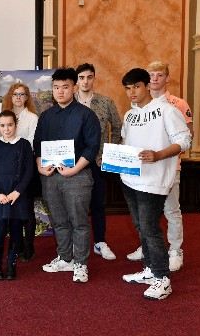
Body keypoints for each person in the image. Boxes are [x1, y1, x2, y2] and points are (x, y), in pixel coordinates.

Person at [119, 68, 191, 300]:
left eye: (136, 87)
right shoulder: (130, 115)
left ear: (147, 85)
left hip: (154, 181)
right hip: (129, 179)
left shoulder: (167, 111)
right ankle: (150, 270)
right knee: (140, 227)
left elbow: (184, 140)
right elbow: (125, 141)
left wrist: (158, 155)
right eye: (128, 88)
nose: (132, 92)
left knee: (150, 228)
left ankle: (163, 279)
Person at [34, 67, 100, 283]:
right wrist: (39, 166)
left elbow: (91, 148)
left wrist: (74, 169)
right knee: (59, 220)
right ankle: (65, 258)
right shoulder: (45, 116)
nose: (60, 91)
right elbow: (38, 146)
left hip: (77, 176)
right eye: (56, 87)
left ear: (74, 87)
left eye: (65, 87)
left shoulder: (86, 115)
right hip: (50, 176)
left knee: (79, 222)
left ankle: (81, 263)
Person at [75, 63, 122, 261]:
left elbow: (118, 129)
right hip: (74, 161)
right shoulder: (68, 102)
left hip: (97, 160)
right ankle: (75, 243)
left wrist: (107, 153)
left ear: (94, 79)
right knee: (75, 203)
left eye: (89, 77)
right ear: (77, 80)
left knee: (97, 203)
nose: (86, 81)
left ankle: (100, 242)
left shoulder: (106, 102)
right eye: (82, 77)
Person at [0, 110, 34, 280]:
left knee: (15, 231)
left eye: (10, 125)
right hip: (0, 195)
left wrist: (17, 191)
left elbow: (29, 171)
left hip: (17, 196)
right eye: (3, 125)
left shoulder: (24, 145)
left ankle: (11, 263)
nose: (6, 129)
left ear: (16, 125)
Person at [1, 82, 39, 262]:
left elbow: (31, 144)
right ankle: (17, 245)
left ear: (26, 97)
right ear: (10, 96)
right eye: (15, 94)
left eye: (22, 94)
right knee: (11, 209)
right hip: (7, 170)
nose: (18, 97)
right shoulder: (4, 117)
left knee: (26, 211)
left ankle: (29, 247)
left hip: (25, 168)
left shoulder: (32, 118)